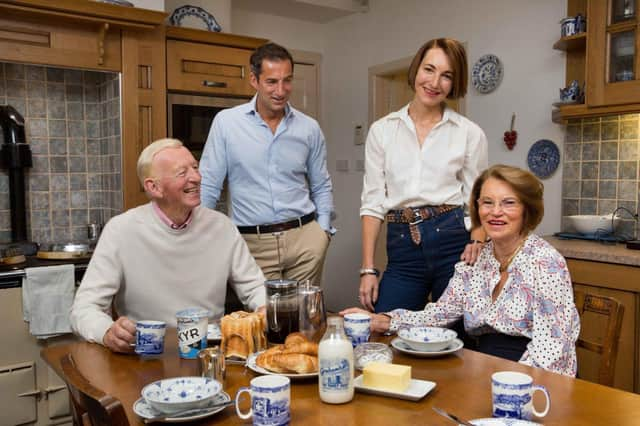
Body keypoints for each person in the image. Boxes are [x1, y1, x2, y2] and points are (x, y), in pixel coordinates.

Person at [344, 165, 580, 377]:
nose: (495, 212)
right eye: (487, 202)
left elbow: (552, 349)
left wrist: (510, 389)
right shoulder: (475, 260)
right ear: (477, 209)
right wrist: (381, 321)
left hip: (532, 375)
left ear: (527, 210)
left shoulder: (546, 262)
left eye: (508, 203)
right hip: (484, 365)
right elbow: (440, 314)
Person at [70, 138, 266, 353]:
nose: (197, 178)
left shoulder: (222, 227)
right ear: (153, 187)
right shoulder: (121, 230)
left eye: (195, 168)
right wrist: (106, 332)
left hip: (209, 352)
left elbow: (255, 287)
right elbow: (84, 308)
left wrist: (265, 307)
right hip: (146, 355)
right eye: (182, 173)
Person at [359, 38, 488, 313]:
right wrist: (368, 269)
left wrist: (478, 241)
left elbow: (479, 198)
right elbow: (372, 203)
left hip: (454, 242)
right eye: (429, 69)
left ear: (455, 83)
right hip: (402, 246)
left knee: (456, 338)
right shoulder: (382, 131)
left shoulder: (469, 132)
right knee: (387, 329)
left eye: (446, 76)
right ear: (416, 69)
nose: (435, 82)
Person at [200, 42, 334, 286]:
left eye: (287, 81)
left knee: (302, 320)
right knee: (261, 321)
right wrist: (203, 237)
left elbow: (321, 184)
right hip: (252, 245)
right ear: (254, 80)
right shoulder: (227, 123)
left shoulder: (309, 128)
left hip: (305, 239)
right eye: (272, 81)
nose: (281, 91)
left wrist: (323, 232)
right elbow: (209, 185)